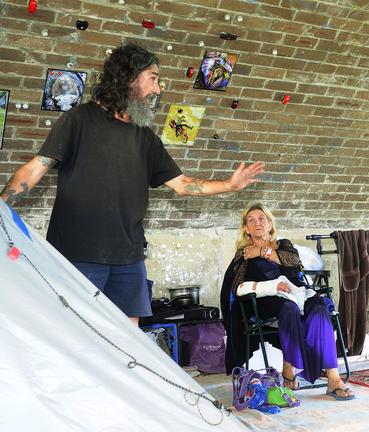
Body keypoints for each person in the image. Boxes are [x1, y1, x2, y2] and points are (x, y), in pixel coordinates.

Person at [0, 43, 264, 324]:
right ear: (128, 78)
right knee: (78, 333)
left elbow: (183, 184)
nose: (158, 89)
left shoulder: (146, 139)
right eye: (153, 78)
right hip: (77, 254)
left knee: (128, 340)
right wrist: (2, 206)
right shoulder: (78, 120)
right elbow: (34, 170)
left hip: (129, 257)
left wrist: (230, 185)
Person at [220, 202, 354, 401]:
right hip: (266, 301)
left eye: (261, 219)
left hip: (297, 293)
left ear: (270, 224)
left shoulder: (284, 245)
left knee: (319, 308)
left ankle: (334, 379)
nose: (257, 223)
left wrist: (262, 252)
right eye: (251, 220)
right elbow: (237, 289)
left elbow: (293, 263)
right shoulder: (243, 254)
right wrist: (271, 287)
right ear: (246, 229)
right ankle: (288, 369)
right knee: (289, 309)